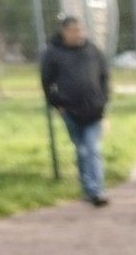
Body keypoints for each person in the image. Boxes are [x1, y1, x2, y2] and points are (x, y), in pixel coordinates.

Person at [40, 16, 110, 207]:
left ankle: (97, 191)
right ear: (64, 32)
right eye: (74, 30)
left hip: (94, 110)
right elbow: (47, 82)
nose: (78, 33)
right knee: (82, 150)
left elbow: (104, 77)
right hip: (70, 111)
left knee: (92, 149)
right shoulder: (53, 53)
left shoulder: (92, 51)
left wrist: (104, 102)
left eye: (80, 29)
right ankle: (88, 188)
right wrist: (57, 105)